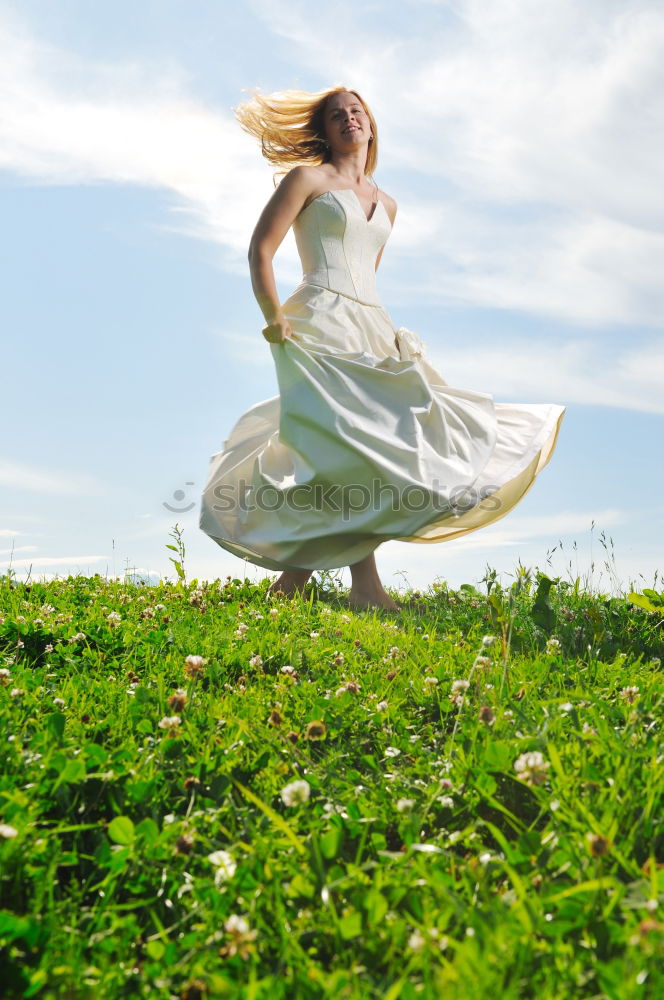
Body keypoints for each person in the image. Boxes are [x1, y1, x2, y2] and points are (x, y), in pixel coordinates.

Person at [199, 85, 566, 610]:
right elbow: (260, 248)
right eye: (336, 115)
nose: (348, 120)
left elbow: (367, 276)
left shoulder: (388, 204)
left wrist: (388, 333)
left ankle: (295, 583)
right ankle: (361, 589)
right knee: (343, 445)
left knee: (373, 448)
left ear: (370, 126)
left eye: (356, 112)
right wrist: (273, 316)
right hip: (315, 323)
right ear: (323, 130)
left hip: (371, 327)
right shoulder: (306, 180)